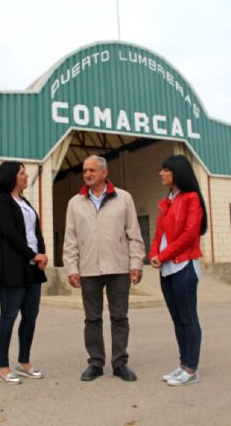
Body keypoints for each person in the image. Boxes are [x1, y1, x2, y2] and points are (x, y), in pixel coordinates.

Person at [63, 155, 145, 382]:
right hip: (89, 269)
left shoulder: (124, 198)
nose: (87, 174)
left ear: (104, 173)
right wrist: (71, 267)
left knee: (120, 317)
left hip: (119, 268)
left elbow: (134, 235)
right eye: (84, 170)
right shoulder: (75, 203)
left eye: (92, 170)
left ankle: (120, 363)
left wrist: (136, 263)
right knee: (92, 319)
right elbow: (70, 238)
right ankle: (96, 363)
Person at [149, 155, 208, 386]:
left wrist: (162, 255)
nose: (161, 173)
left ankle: (191, 369)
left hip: (184, 266)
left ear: (177, 172)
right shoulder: (169, 200)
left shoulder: (192, 199)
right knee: (177, 319)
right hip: (167, 269)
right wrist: (154, 254)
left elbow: (189, 235)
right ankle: (183, 364)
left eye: (165, 170)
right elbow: (159, 234)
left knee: (188, 318)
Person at [0, 161, 48, 384]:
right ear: (11, 176)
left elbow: (35, 232)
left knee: (30, 316)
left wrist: (42, 253)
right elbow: (11, 235)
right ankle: (2, 366)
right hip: (12, 268)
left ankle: (24, 362)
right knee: (9, 316)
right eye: (23, 173)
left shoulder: (25, 202)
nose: (26, 176)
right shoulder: (0, 201)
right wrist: (33, 255)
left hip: (33, 268)